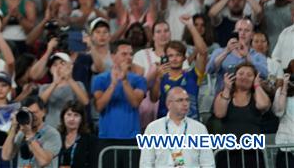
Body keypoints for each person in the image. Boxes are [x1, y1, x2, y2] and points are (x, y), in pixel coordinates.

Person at [92, 39, 146, 168]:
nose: (129, 57)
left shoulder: (139, 80)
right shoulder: (100, 79)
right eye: (124, 54)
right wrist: (113, 84)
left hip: (132, 139)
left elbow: (135, 103)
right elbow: (99, 106)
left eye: (130, 54)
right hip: (107, 139)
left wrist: (125, 81)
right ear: (112, 56)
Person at [139, 86, 214, 168]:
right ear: (169, 104)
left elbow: (208, 162)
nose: (185, 104)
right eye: (180, 100)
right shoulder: (153, 128)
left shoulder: (199, 129)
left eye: (187, 100)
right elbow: (146, 162)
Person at [1, 96, 61, 168]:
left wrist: (29, 135)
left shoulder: (52, 134)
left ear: (44, 112)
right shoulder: (22, 133)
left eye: (34, 113)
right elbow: (6, 156)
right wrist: (13, 128)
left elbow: (43, 161)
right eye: (28, 113)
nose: (31, 116)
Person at [57, 100, 97, 168]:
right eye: (69, 114)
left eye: (76, 115)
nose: (72, 119)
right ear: (63, 117)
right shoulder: (56, 137)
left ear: (82, 119)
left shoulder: (90, 140)